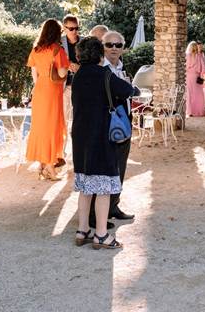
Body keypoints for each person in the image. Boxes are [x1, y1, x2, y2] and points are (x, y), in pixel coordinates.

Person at [72, 37, 137, 250]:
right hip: (101, 136)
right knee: (103, 188)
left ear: (80, 55)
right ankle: (101, 234)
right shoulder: (105, 75)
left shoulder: (78, 76)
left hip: (81, 137)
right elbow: (128, 91)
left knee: (85, 186)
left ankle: (83, 230)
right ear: (100, 55)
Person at [26, 19, 70, 181]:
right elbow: (62, 72)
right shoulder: (58, 50)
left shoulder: (36, 50)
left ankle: (42, 165)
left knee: (41, 127)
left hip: (40, 91)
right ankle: (50, 167)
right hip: (53, 91)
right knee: (52, 127)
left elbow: (34, 76)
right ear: (57, 33)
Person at [99, 30, 135, 221]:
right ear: (103, 47)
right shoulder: (100, 69)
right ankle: (97, 214)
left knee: (120, 167)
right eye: (109, 45)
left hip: (124, 123)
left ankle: (114, 206)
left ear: (123, 48)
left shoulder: (121, 68)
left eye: (118, 45)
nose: (114, 49)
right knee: (106, 170)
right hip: (106, 125)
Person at [61, 15, 82, 135]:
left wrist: (80, 68)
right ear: (64, 28)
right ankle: (62, 151)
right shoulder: (59, 42)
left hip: (82, 86)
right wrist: (66, 64)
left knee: (80, 120)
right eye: (71, 29)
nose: (74, 31)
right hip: (66, 85)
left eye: (76, 28)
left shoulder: (84, 42)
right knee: (64, 119)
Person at [186, 41, 205, 117]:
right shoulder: (199, 56)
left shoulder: (187, 56)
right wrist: (204, 76)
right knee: (199, 95)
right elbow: (204, 68)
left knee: (190, 94)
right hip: (197, 77)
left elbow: (185, 67)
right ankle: (199, 111)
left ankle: (190, 111)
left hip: (189, 77)